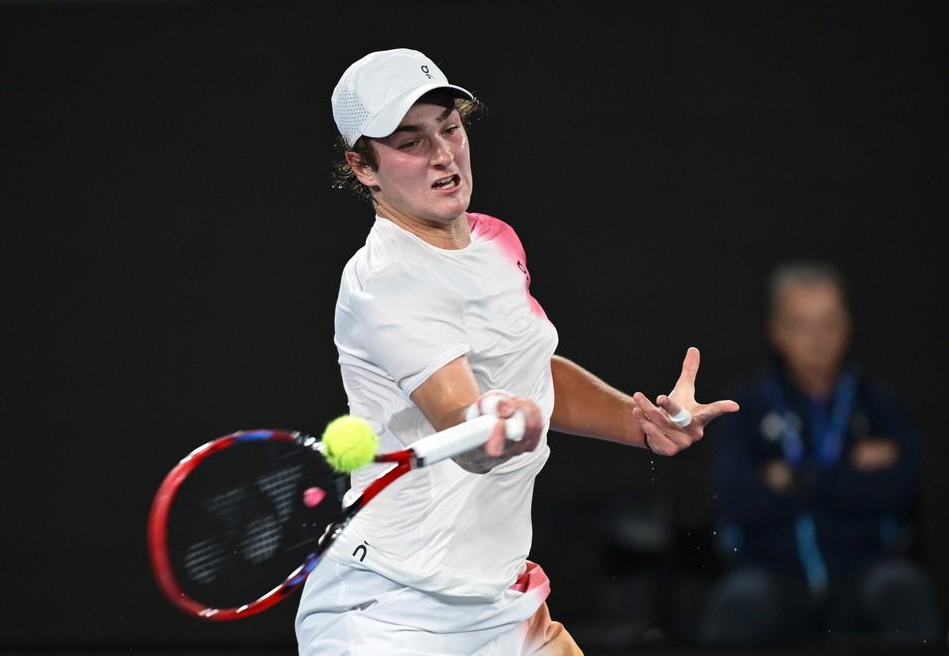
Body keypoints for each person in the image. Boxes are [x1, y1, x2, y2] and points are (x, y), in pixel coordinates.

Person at [294, 48, 739, 655]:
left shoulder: (493, 240)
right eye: (411, 142)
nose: (444, 154)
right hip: (389, 614)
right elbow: (464, 419)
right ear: (363, 167)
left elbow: (530, 367)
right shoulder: (387, 282)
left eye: (449, 128)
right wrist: (492, 427)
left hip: (497, 602)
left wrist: (641, 424)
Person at [698, 260, 941, 647]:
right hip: (774, 571)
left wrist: (793, 478)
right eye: (803, 325)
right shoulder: (746, 407)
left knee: (904, 590)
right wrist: (849, 473)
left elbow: (901, 489)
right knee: (737, 602)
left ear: (847, 326)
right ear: (776, 331)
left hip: (863, 567)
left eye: (829, 323)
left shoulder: (879, 404)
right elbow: (733, 496)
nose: (818, 338)